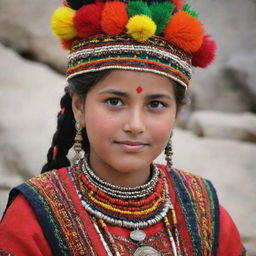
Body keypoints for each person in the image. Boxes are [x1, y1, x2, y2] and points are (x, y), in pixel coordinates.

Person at [0, 0, 247, 255]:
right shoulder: (34, 215)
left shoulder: (203, 205)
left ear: (177, 113)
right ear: (79, 107)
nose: (135, 125)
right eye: (114, 102)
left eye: (156, 104)